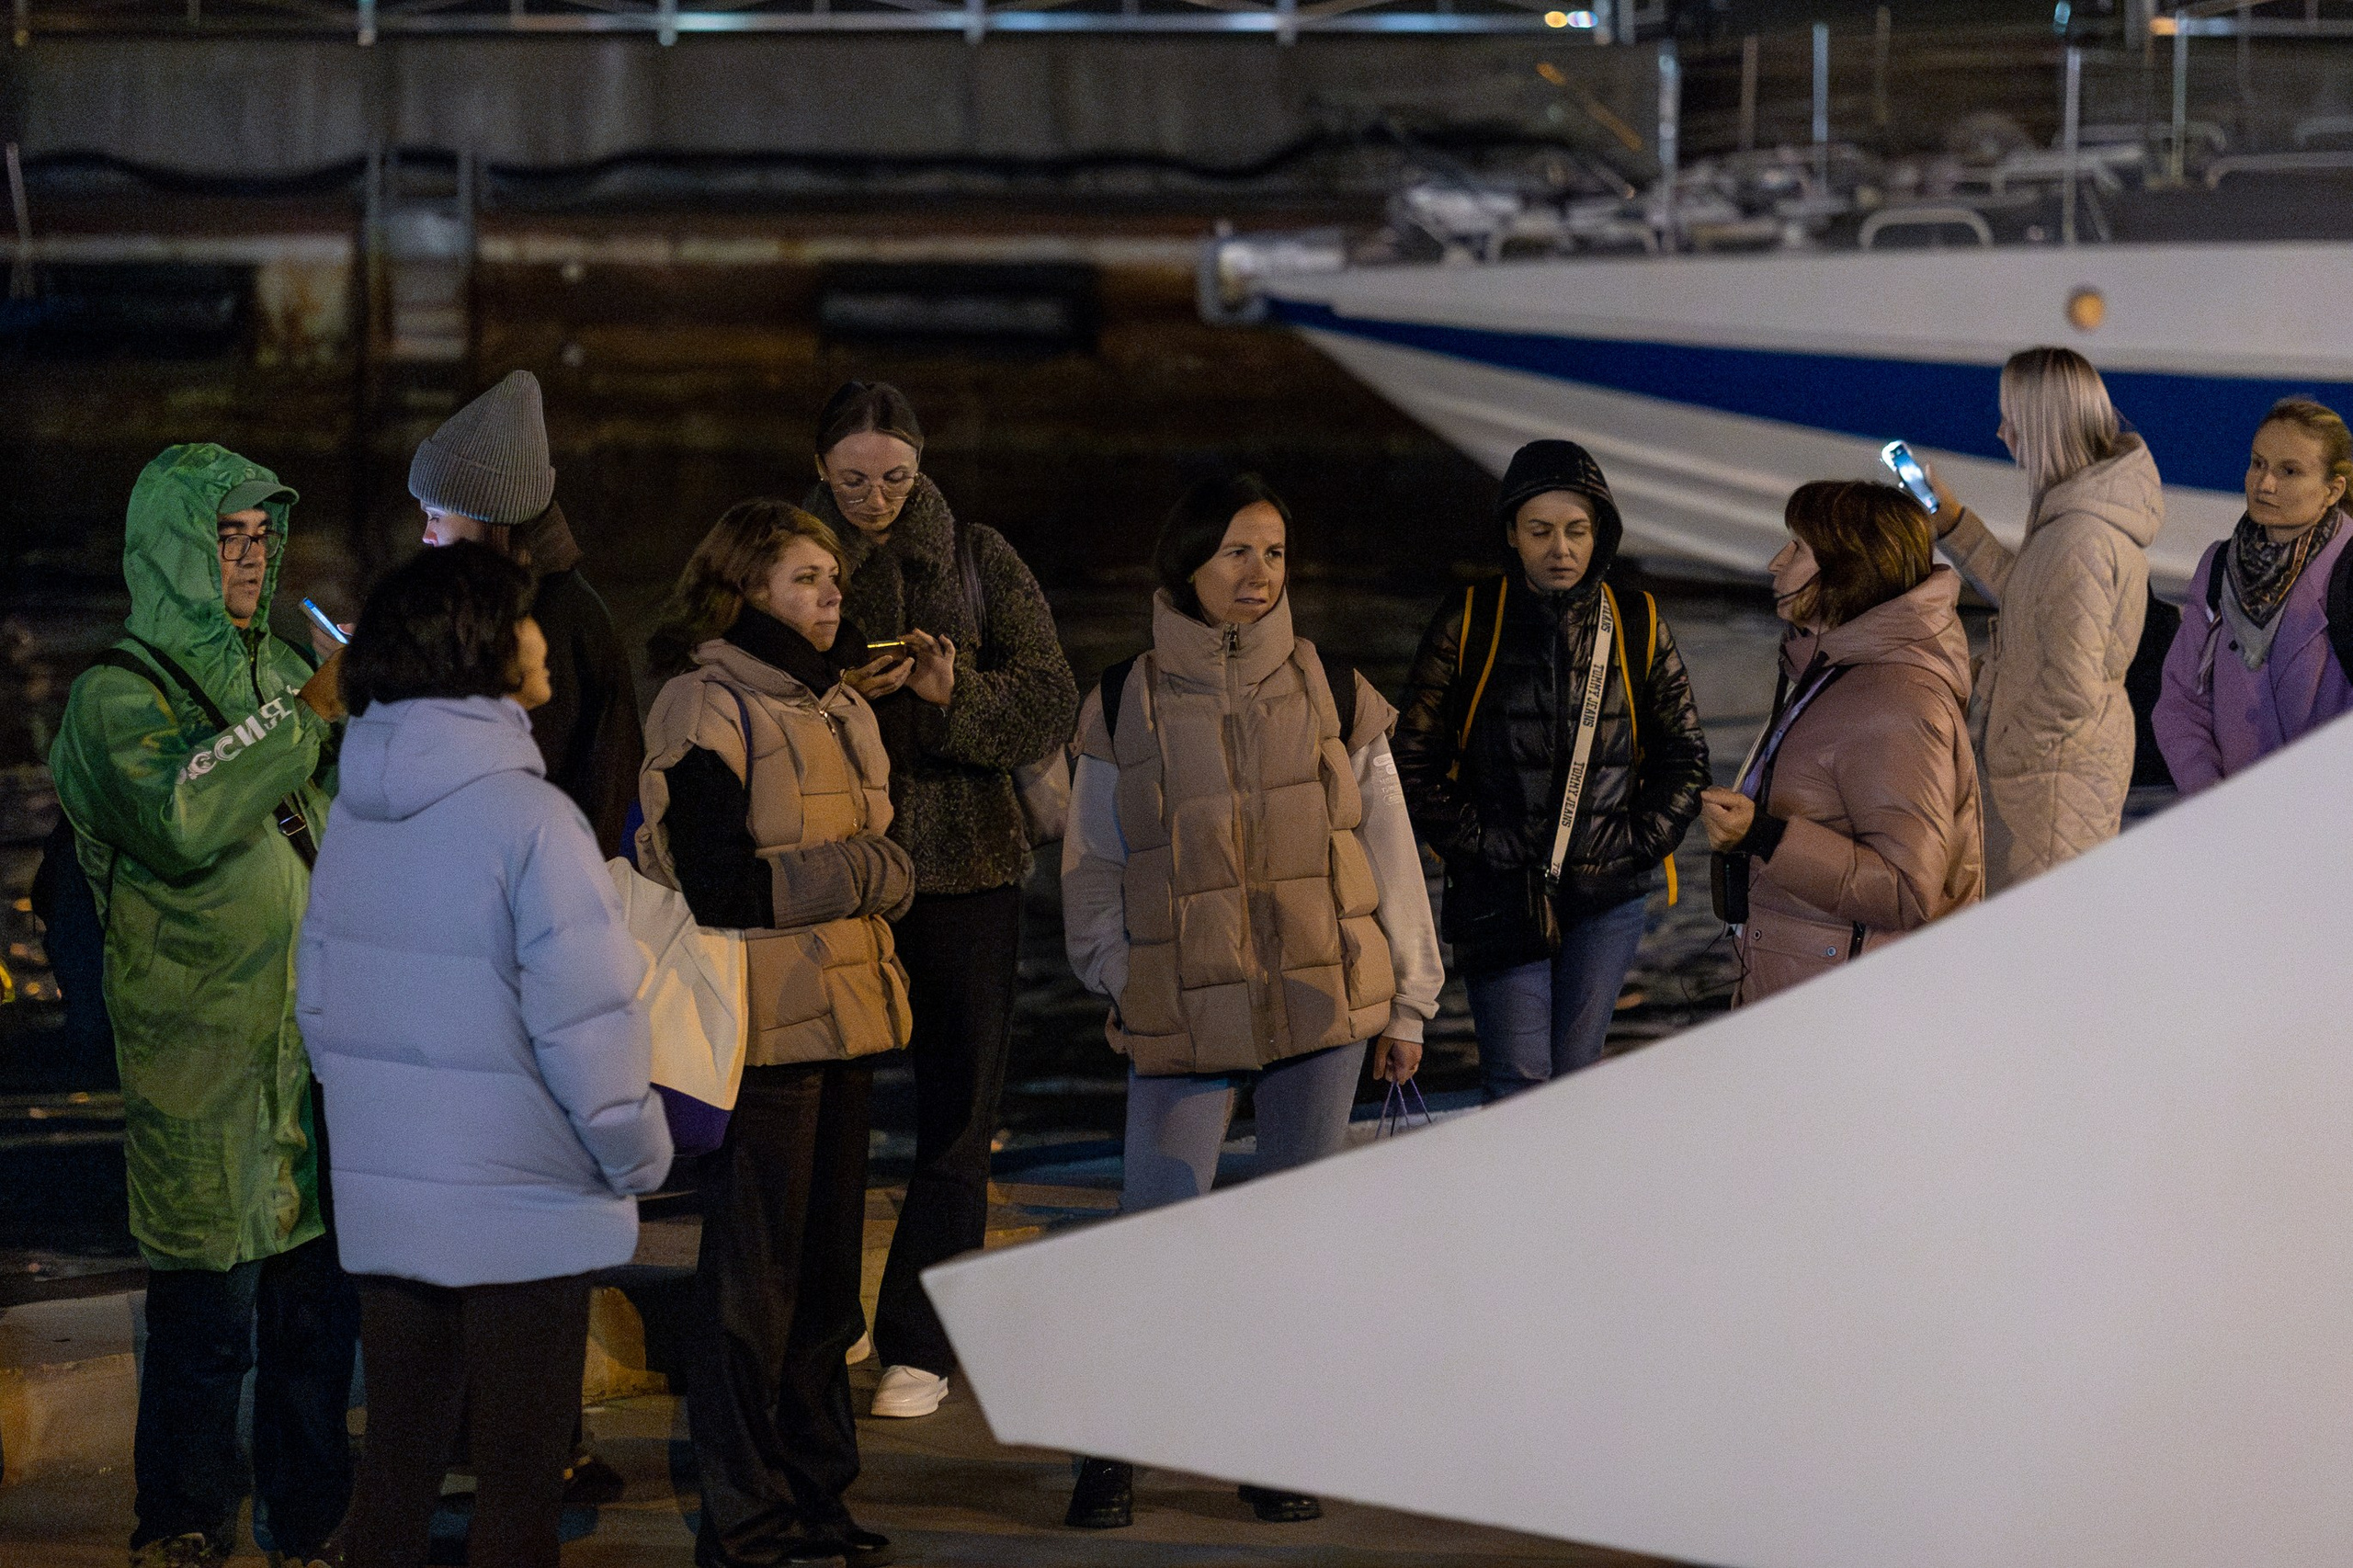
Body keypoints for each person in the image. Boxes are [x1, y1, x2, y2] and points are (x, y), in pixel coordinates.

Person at [1058, 474, 1443, 1530]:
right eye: (1234, 551)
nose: (1256, 572)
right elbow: (1091, 860)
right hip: (1182, 1011)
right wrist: (1116, 970)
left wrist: (1408, 999)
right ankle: (1113, 1448)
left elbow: (1389, 847)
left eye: (1272, 552)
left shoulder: (1334, 687)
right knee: (1155, 1230)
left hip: (1320, 1005)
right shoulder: (1122, 697)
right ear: (1184, 563)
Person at [296, 543, 673, 1568]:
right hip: (523, 1206)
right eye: (524, 618)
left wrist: (389, 1137)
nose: (544, 632)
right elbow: (590, 1024)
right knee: (517, 1496)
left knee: (396, 1477)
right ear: (482, 647)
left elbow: (320, 1004)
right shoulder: (533, 820)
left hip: (395, 1198)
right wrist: (639, 1155)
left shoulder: (361, 813)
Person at [48, 444, 357, 1568]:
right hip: (205, 1056)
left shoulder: (283, 668)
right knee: (204, 1322)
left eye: (262, 532)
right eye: (227, 534)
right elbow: (182, 812)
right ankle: (180, 1520)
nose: (251, 552)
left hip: (311, 1047)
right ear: (173, 545)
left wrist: (374, 716)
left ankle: (314, 1519)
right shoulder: (113, 699)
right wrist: (308, 716)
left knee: (315, 1321)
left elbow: (343, 817)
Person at [641, 499, 921, 1568]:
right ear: (748, 586)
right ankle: (744, 1516)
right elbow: (712, 877)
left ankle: (816, 1495)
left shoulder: (835, 699)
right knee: (752, 1288)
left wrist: (870, 874)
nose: (829, 594)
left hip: (846, 1017)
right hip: (762, 1032)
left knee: (823, 1287)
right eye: (806, 578)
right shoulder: (703, 702)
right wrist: (860, 876)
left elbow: (880, 847)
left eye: (833, 578)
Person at [800, 381, 1078, 1419]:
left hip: (968, 867)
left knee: (959, 1113)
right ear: (820, 472)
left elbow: (1050, 693)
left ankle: (920, 1339)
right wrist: (837, 689)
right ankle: (828, 1314)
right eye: (852, 480)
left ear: (920, 466)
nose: (874, 497)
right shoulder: (785, 551)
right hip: (836, 870)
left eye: (894, 477)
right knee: (827, 1106)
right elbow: (725, 674)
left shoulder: (977, 554)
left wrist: (950, 694)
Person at [1393, 439, 1709, 1100]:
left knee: (1576, 1082)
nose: (1559, 548)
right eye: (1540, 531)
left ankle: (1568, 1204)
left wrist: (1631, 844)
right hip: (1499, 891)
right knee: (1519, 1081)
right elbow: (1413, 760)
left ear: (1602, 534)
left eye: (1576, 530)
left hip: (1609, 897)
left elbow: (1685, 758)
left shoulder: (1637, 620)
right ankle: (1514, 1204)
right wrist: (1484, 845)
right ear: (1511, 533)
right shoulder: (1471, 617)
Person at [1699, 481, 1983, 1006]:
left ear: (1850, 567)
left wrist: (1763, 835)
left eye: (1798, 549)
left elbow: (1906, 888)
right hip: (1808, 986)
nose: (1774, 563)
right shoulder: (1839, 673)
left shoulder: (1897, 700)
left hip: (1846, 1009)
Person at [1926, 347, 2163, 892]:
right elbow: (2030, 594)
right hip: (2057, 774)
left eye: (2013, 418)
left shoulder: (2080, 535)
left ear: (2043, 426)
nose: (2002, 433)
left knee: (2044, 948)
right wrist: (1953, 523)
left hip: (2051, 785)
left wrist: (2006, 751)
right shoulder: (2073, 518)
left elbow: (2071, 687)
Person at [415, 368, 643, 858]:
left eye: (436, 516)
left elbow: (530, 772)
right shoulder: (506, 603)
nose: (426, 536)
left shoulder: (554, 618)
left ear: (486, 514)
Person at [2154, 398, 2353, 792]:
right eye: (2258, 463)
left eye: (2289, 471)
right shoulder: (2219, 564)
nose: (2264, 484)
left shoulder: (2345, 571)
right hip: (2237, 826)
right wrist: (2210, 796)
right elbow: (2181, 702)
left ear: (2332, 491)